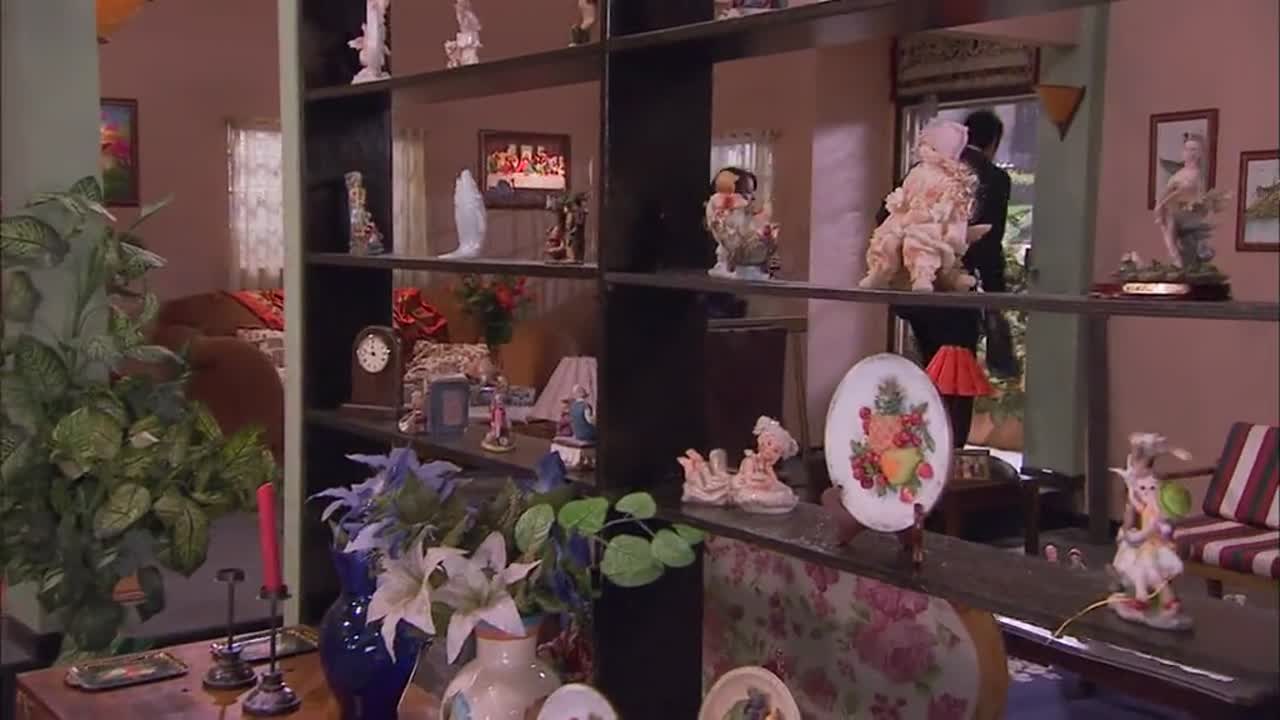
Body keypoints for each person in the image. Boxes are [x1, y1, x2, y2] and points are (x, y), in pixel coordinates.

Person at [886, 109, 1014, 442]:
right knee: (958, 376)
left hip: (917, 290)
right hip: (957, 294)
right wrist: (996, 299)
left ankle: (926, 443)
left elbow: (885, 215)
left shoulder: (924, 168)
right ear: (993, 143)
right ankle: (951, 453)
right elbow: (988, 245)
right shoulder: (993, 178)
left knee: (931, 369)